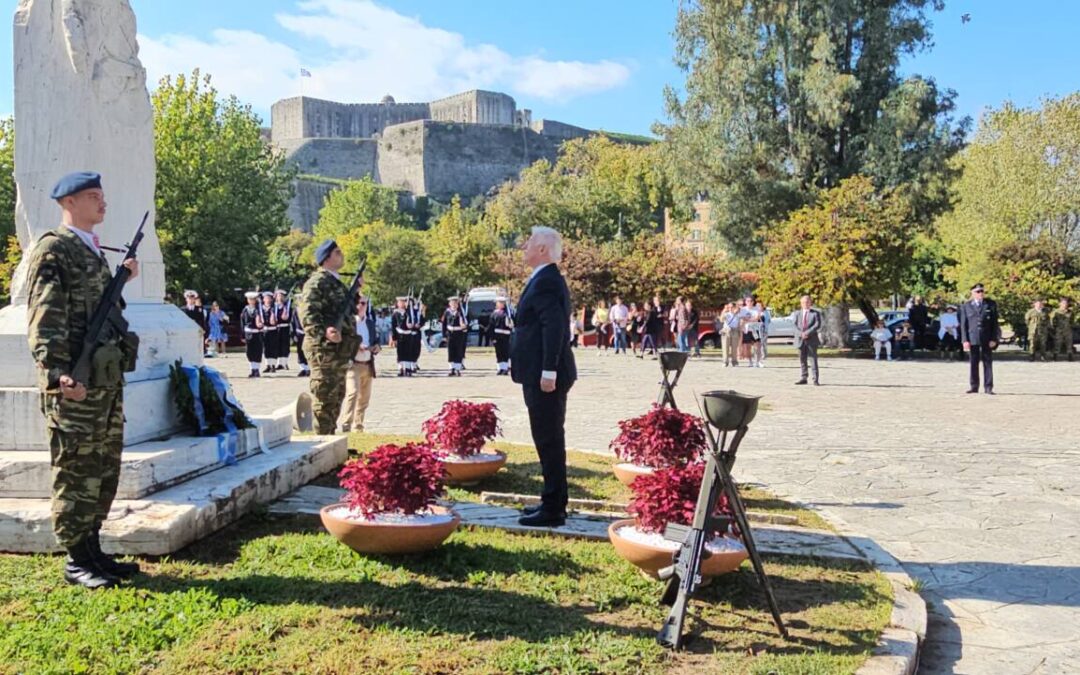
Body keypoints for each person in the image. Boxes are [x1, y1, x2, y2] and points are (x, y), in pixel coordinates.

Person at [25, 171, 141, 588]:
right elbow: (45, 317)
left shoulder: (92, 251)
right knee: (75, 468)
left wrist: (122, 280)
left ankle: (93, 550)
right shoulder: (55, 250)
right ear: (69, 202)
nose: (102, 203)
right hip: (74, 382)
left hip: (103, 381)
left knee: (102, 466)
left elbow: (101, 311)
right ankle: (76, 560)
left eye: (102, 196)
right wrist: (57, 374)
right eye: (94, 197)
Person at [512, 226, 577, 528]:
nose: (524, 247)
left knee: (549, 439)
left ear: (542, 250)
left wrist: (548, 370)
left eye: (529, 243)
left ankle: (553, 508)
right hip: (537, 372)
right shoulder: (542, 278)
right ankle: (551, 501)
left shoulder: (547, 281)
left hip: (544, 375)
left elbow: (555, 328)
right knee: (546, 438)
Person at [299, 239, 360, 434]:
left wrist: (356, 291)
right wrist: (324, 332)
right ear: (326, 259)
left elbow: (345, 310)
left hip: (338, 349)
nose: (341, 255)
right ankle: (321, 444)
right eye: (337, 253)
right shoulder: (317, 282)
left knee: (336, 395)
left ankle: (330, 439)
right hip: (323, 349)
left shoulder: (335, 282)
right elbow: (307, 315)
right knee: (324, 397)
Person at [341, 295, 378, 433]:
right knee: (353, 393)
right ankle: (346, 423)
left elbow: (375, 339)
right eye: (360, 303)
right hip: (353, 364)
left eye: (365, 303)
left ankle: (358, 426)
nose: (363, 306)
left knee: (364, 398)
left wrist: (376, 347)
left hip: (367, 363)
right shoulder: (350, 323)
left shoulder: (370, 323)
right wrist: (357, 345)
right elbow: (344, 341)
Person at [958, 283, 1000, 394]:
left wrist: (994, 338)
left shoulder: (990, 304)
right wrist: (964, 340)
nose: (980, 293)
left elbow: (994, 323)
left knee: (987, 362)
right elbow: (964, 325)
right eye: (978, 291)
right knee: (973, 362)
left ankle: (988, 387)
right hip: (973, 337)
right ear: (972, 293)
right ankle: (974, 386)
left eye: (982, 291)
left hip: (987, 337)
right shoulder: (966, 306)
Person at [793, 295, 821, 385]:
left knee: (813, 359)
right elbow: (794, 326)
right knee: (802, 360)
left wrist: (807, 333)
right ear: (801, 304)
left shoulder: (815, 313)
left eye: (807, 302)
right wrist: (801, 334)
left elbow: (817, 325)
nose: (805, 304)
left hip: (811, 340)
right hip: (800, 340)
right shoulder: (797, 314)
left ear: (810, 303)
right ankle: (804, 377)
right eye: (803, 302)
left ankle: (815, 379)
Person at [442, 296, 468, 376]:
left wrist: (464, 326)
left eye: (455, 303)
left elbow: (466, 324)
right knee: (451, 351)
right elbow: (444, 324)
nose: (454, 304)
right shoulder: (447, 312)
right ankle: (451, 368)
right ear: (449, 304)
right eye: (452, 303)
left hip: (458, 333)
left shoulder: (461, 313)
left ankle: (457, 369)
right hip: (450, 333)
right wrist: (444, 335)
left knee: (458, 351)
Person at [240, 291, 264, 377]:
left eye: (253, 299)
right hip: (248, 333)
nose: (251, 301)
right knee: (249, 352)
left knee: (257, 351)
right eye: (249, 299)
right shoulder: (245, 310)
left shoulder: (259, 310)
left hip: (257, 333)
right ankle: (252, 369)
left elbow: (262, 321)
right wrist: (242, 335)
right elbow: (242, 323)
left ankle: (256, 369)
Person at [488, 297, 513, 375]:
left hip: (506, 336)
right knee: (499, 352)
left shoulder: (508, 313)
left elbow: (512, 324)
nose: (500, 304)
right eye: (499, 303)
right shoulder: (494, 314)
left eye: (502, 303)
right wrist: (492, 337)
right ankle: (500, 368)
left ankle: (505, 368)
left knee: (505, 352)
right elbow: (491, 326)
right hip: (497, 336)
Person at [391, 296, 413, 376]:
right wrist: (394, 338)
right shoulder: (395, 313)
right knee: (400, 353)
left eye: (403, 302)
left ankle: (407, 368)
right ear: (398, 303)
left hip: (408, 334)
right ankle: (400, 368)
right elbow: (393, 326)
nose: (402, 303)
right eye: (400, 302)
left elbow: (413, 322)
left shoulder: (409, 312)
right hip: (400, 335)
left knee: (408, 352)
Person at [290, 297, 310, 377]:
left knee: (308, 351)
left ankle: (308, 368)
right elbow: (293, 323)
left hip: (307, 333)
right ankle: (303, 368)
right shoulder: (296, 310)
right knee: (300, 351)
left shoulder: (308, 310)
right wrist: (293, 334)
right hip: (299, 333)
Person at [260, 291, 279, 373]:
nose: (267, 300)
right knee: (266, 348)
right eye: (265, 298)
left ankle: (273, 365)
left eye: (269, 298)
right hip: (265, 330)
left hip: (273, 330)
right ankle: (268, 365)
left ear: (271, 299)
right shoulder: (260, 309)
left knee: (273, 348)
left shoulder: (274, 308)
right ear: (263, 299)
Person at [274, 289, 292, 371]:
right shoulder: (274, 306)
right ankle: (279, 363)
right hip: (277, 328)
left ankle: (284, 363)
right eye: (278, 296)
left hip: (285, 327)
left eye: (281, 296)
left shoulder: (287, 306)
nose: (280, 297)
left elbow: (288, 317)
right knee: (277, 345)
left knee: (285, 345)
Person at [720, 302, 741, 367]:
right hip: (727, 330)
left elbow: (739, 323)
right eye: (729, 307)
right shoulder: (726, 314)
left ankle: (734, 362)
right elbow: (721, 320)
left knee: (734, 348)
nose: (730, 308)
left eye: (732, 307)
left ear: (734, 307)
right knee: (725, 347)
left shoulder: (738, 315)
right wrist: (724, 310)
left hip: (735, 330)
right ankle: (725, 362)